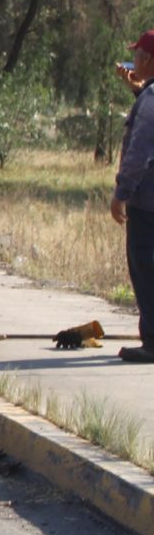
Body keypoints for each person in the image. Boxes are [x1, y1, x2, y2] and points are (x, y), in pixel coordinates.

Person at [110, 31, 154, 364]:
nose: (132, 61)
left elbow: (139, 153)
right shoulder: (148, 96)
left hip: (146, 204)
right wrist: (138, 91)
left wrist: (121, 194)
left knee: (144, 268)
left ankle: (151, 343)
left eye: (137, 55)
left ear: (148, 59)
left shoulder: (150, 101)